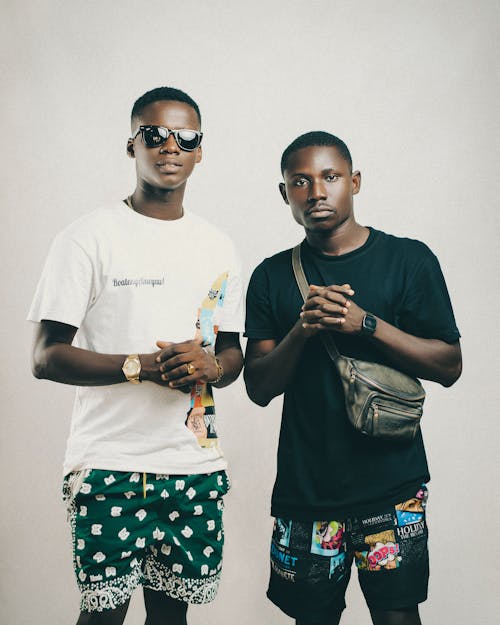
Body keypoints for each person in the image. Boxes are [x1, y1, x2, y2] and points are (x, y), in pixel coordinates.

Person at [29, 86, 244, 625]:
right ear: (132, 146)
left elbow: (232, 353)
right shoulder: (87, 238)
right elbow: (46, 355)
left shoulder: (218, 245)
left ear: (200, 150)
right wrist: (139, 367)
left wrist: (210, 366)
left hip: (192, 465)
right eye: (154, 134)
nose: (170, 146)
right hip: (109, 465)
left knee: (170, 620)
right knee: (103, 618)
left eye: (185, 136)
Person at [244, 131, 461, 625]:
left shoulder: (409, 260)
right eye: (300, 181)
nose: (316, 192)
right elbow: (258, 388)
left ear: (354, 182)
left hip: (392, 486)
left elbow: (449, 365)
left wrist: (364, 323)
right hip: (307, 491)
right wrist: (303, 328)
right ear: (285, 194)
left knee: (397, 615)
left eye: (330, 177)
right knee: (312, 619)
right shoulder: (271, 276)